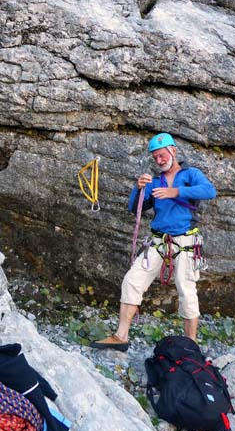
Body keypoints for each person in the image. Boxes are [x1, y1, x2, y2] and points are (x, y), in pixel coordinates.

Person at [90, 132, 216, 351]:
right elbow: (135, 207)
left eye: (162, 155)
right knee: (132, 280)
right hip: (159, 241)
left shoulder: (190, 174)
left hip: (185, 241)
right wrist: (138, 188)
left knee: (186, 290)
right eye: (156, 157)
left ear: (173, 151)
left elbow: (209, 191)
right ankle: (121, 336)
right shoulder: (154, 181)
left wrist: (175, 191)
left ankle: (191, 345)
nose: (159, 160)